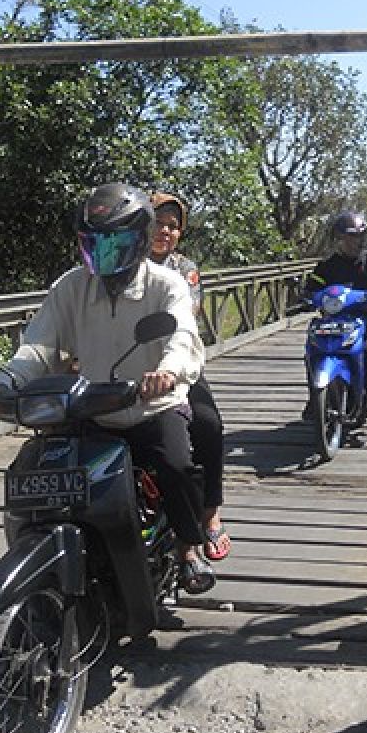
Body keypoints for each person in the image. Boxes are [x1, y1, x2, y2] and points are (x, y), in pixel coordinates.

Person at [0, 183, 215, 594]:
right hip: (90, 410)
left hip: (150, 406)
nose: (105, 253)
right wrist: (4, 384)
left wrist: (167, 372)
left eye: (115, 242)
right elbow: (38, 346)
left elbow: (182, 337)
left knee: (176, 466)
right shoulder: (71, 287)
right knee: (40, 468)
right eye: (95, 242)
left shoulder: (166, 284)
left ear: (138, 240)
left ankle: (187, 549)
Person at [149, 191, 230, 562]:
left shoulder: (185, 269)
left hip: (178, 365)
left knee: (209, 426)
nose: (165, 231)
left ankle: (210, 512)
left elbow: (187, 317)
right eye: (157, 222)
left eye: (172, 226)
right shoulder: (119, 262)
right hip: (125, 365)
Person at [302, 211, 367, 401]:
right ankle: (315, 398)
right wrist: (306, 298)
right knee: (312, 349)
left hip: (365, 315)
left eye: (359, 236)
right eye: (350, 236)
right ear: (339, 238)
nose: (355, 241)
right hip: (334, 319)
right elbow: (312, 288)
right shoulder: (326, 265)